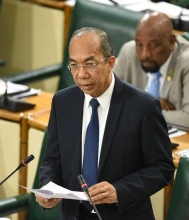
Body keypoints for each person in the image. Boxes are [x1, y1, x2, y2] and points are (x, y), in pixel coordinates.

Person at [35, 27, 175, 220]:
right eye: (74, 65)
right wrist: (48, 186)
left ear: (110, 63)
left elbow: (162, 168)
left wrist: (119, 190)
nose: (81, 74)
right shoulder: (62, 102)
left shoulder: (142, 107)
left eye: (90, 64)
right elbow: (53, 159)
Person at [113, 11, 189, 132]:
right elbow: (104, 93)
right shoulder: (130, 51)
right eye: (139, 44)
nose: (144, 54)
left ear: (171, 42)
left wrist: (145, 109)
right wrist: (149, 105)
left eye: (153, 46)